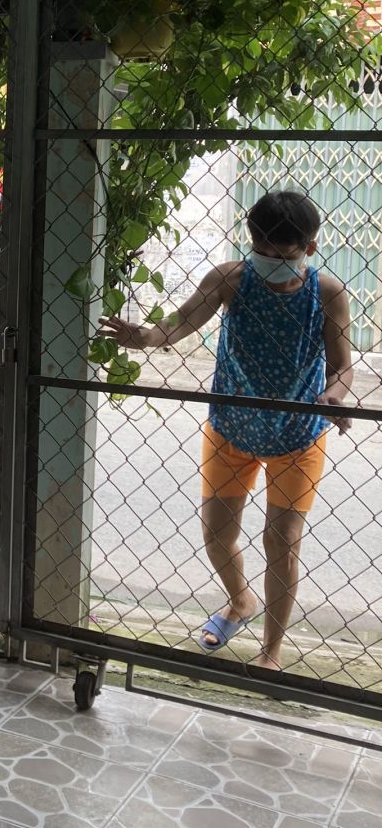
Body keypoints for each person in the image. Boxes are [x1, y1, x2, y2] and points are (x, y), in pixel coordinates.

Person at [98, 190, 353, 671]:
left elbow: (343, 367)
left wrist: (334, 396)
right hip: (231, 427)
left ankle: (270, 652)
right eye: (261, 251)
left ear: (310, 248)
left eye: (283, 254)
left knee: (282, 542)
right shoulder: (230, 279)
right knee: (217, 534)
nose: (270, 263)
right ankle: (240, 600)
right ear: (250, 241)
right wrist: (146, 337)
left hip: (299, 434)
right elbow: (181, 322)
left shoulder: (327, 293)